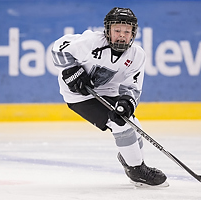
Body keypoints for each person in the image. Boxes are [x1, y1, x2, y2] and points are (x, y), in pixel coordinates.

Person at [52, 7, 168, 187]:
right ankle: (137, 171)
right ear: (108, 30)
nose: (122, 35)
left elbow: (133, 89)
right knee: (119, 122)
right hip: (79, 96)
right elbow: (57, 49)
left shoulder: (137, 56)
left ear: (133, 33)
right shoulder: (90, 42)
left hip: (109, 93)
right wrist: (71, 70)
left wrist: (126, 103)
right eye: (117, 30)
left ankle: (133, 163)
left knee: (132, 122)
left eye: (127, 31)